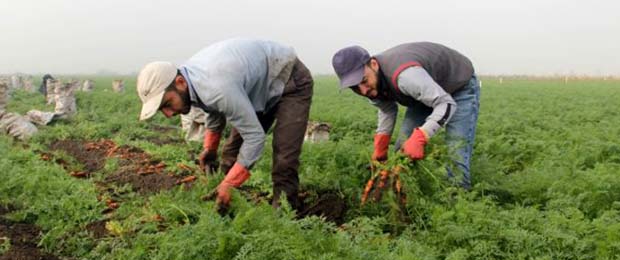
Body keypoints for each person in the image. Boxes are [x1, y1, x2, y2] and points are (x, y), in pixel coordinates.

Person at [136, 38, 313, 208]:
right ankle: (224, 200)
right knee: (230, 152)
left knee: (284, 158)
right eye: (162, 109)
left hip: (289, 80)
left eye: (167, 104)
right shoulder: (192, 80)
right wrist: (210, 150)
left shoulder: (216, 87)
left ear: (180, 83)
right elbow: (213, 109)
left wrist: (229, 183)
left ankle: (284, 213)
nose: (168, 114)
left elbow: (255, 138)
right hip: (257, 88)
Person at [332, 42, 480, 189]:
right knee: (401, 151)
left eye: (364, 81)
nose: (363, 91)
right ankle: (406, 192)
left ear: (374, 64)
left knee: (456, 154)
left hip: (458, 85)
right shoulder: (369, 85)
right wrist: (381, 145)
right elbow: (387, 110)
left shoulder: (405, 76)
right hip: (423, 93)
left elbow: (446, 104)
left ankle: (459, 198)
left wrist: (422, 136)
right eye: (354, 87)